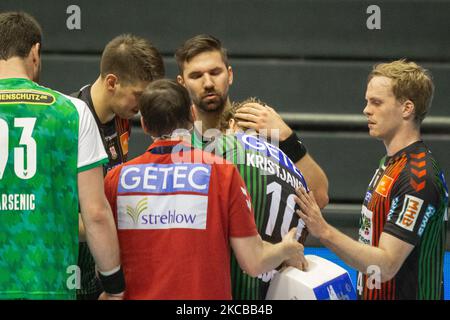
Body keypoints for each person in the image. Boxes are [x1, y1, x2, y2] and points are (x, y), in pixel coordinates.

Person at [103, 79, 307, 299]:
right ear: (193, 115)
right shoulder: (222, 173)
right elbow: (254, 262)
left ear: (143, 124)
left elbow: (104, 252)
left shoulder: (116, 178)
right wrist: (287, 248)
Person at [295, 60, 448, 300]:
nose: (366, 109)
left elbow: (386, 265)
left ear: (407, 108)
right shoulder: (390, 164)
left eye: (376, 102)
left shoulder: (418, 178)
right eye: (367, 101)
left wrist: (323, 231)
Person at [0, 11, 124, 300]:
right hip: (48, 285)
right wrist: (114, 286)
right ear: (35, 52)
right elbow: (95, 213)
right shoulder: (72, 112)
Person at [174, 34, 329, 209]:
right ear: (182, 84)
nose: (208, 83)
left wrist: (287, 138)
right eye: (196, 76)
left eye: (215, 72)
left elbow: (319, 196)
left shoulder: (260, 126)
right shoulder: (180, 144)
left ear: (230, 75)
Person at [71, 34, 165, 300]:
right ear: (112, 82)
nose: (144, 106)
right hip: (70, 274)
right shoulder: (69, 123)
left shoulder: (122, 119)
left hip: (101, 270)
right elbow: (59, 219)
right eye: (139, 95)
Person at [216, 97, 309, 299]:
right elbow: (298, 247)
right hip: (274, 292)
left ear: (231, 124)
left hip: (229, 288)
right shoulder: (299, 174)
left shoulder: (222, 149)